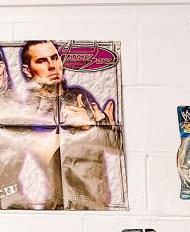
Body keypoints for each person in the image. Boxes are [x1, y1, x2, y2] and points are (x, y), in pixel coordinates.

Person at [18, 39, 122, 210]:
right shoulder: (28, 111)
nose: (52, 66)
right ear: (27, 70)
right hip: (56, 208)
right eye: (42, 61)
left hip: (95, 203)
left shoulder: (80, 97)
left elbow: (115, 147)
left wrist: (98, 125)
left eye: (55, 57)